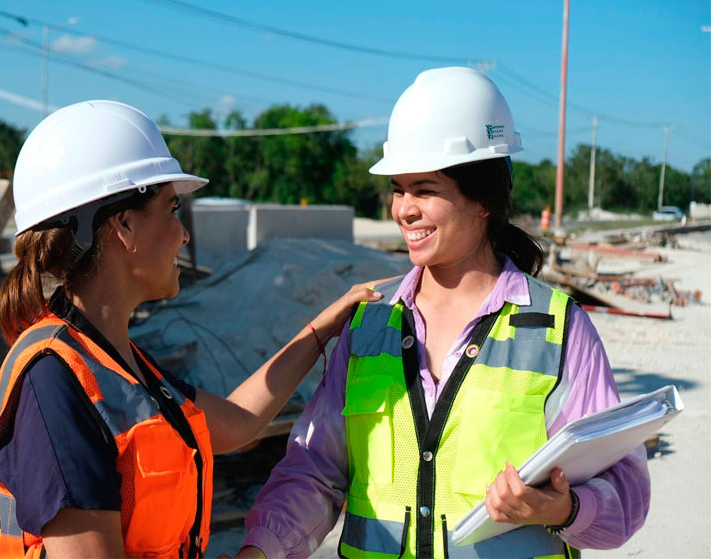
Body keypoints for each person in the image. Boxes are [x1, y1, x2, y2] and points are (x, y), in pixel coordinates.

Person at [238, 67, 650, 559]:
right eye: (398, 188)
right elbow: (315, 471)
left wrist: (563, 510)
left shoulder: (559, 329)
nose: (403, 210)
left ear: (482, 200)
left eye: (425, 189)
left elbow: (624, 493)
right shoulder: (370, 323)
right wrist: (260, 550)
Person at [0, 100, 384, 559]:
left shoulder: (114, 363)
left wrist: (328, 323)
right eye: (172, 210)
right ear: (123, 225)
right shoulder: (55, 382)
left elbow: (238, 423)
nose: (183, 235)